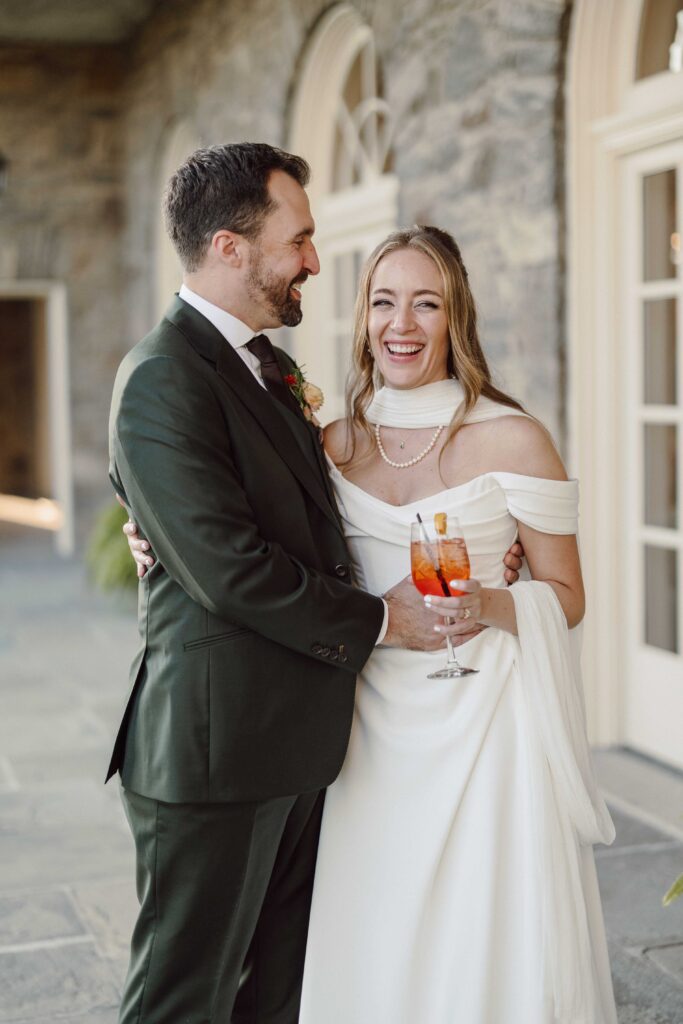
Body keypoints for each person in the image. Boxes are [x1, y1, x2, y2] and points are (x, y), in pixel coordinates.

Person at [126, 223, 617, 1022]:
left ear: (456, 317)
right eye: (383, 302)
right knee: (372, 932)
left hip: (483, 728)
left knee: (479, 932)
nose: (401, 324)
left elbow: (565, 593)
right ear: (361, 319)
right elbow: (240, 531)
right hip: (359, 729)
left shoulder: (516, 439)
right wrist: (150, 527)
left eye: (426, 304)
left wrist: (490, 603)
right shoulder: (329, 441)